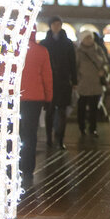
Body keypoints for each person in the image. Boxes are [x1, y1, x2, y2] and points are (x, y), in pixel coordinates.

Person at [19, 30, 53, 188]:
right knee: (30, 133)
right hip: (35, 98)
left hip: (14, 97)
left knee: (16, 132)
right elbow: (47, 76)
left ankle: (16, 163)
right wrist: (48, 97)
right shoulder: (42, 50)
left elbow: (0, 69)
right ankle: (28, 168)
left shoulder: (12, 48)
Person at [41, 16, 77, 149]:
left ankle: (60, 138)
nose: (56, 27)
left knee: (62, 111)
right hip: (49, 81)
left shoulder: (67, 43)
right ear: (50, 26)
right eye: (54, 24)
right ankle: (49, 138)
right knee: (49, 111)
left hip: (63, 82)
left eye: (58, 24)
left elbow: (72, 63)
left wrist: (74, 80)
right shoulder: (45, 43)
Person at [76, 31, 109, 137]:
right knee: (81, 108)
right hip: (83, 84)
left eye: (90, 38)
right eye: (87, 38)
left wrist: (103, 70)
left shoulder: (98, 49)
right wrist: (77, 80)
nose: (89, 40)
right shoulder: (78, 51)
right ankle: (82, 128)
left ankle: (93, 129)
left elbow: (105, 63)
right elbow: (75, 67)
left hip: (96, 84)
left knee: (94, 109)